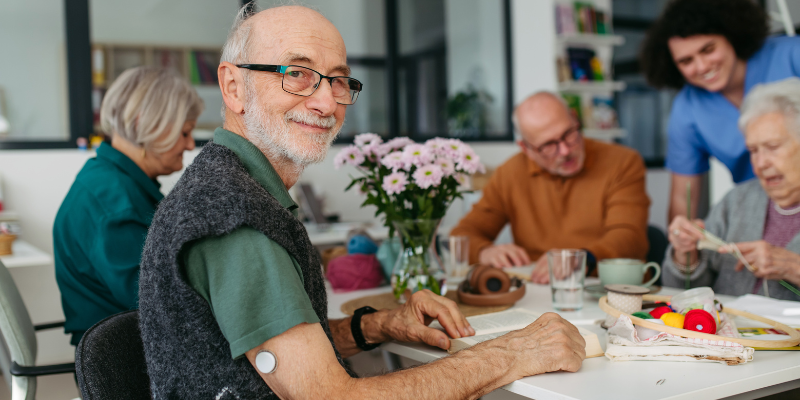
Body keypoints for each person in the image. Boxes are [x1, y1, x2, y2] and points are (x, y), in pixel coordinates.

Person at [138, 6, 586, 399]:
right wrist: (512, 353)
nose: (325, 100)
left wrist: (378, 325)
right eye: (297, 73)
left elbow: (286, 353)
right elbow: (329, 396)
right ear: (233, 87)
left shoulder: (233, 187)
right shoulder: (232, 217)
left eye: (337, 79)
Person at [53, 67, 202, 345]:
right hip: (121, 361)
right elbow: (157, 302)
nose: (190, 144)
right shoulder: (113, 204)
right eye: (185, 133)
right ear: (144, 125)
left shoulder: (111, 181)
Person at [450, 92, 650, 284]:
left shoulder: (623, 162)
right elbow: (462, 235)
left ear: (574, 118)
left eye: (568, 134)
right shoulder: (509, 173)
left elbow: (629, 238)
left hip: (610, 290)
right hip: (540, 293)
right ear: (525, 148)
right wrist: (484, 252)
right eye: (548, 145)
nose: (564, 150)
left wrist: (581, 259)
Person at [640, 0, 800, 223]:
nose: (702, 66)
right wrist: (682, 242)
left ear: (731, 36)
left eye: (708, 49)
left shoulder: (792, 55)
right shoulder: (688, 109)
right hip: (759, 214)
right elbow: (683, 198)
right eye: (686, 61)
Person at [664, 78, 800, 300]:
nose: (761, 163)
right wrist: (686, 255)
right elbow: (679, 292)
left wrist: (794, 268)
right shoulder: (737, 201)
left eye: (773, 147)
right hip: (722, 333)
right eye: (753, 150)